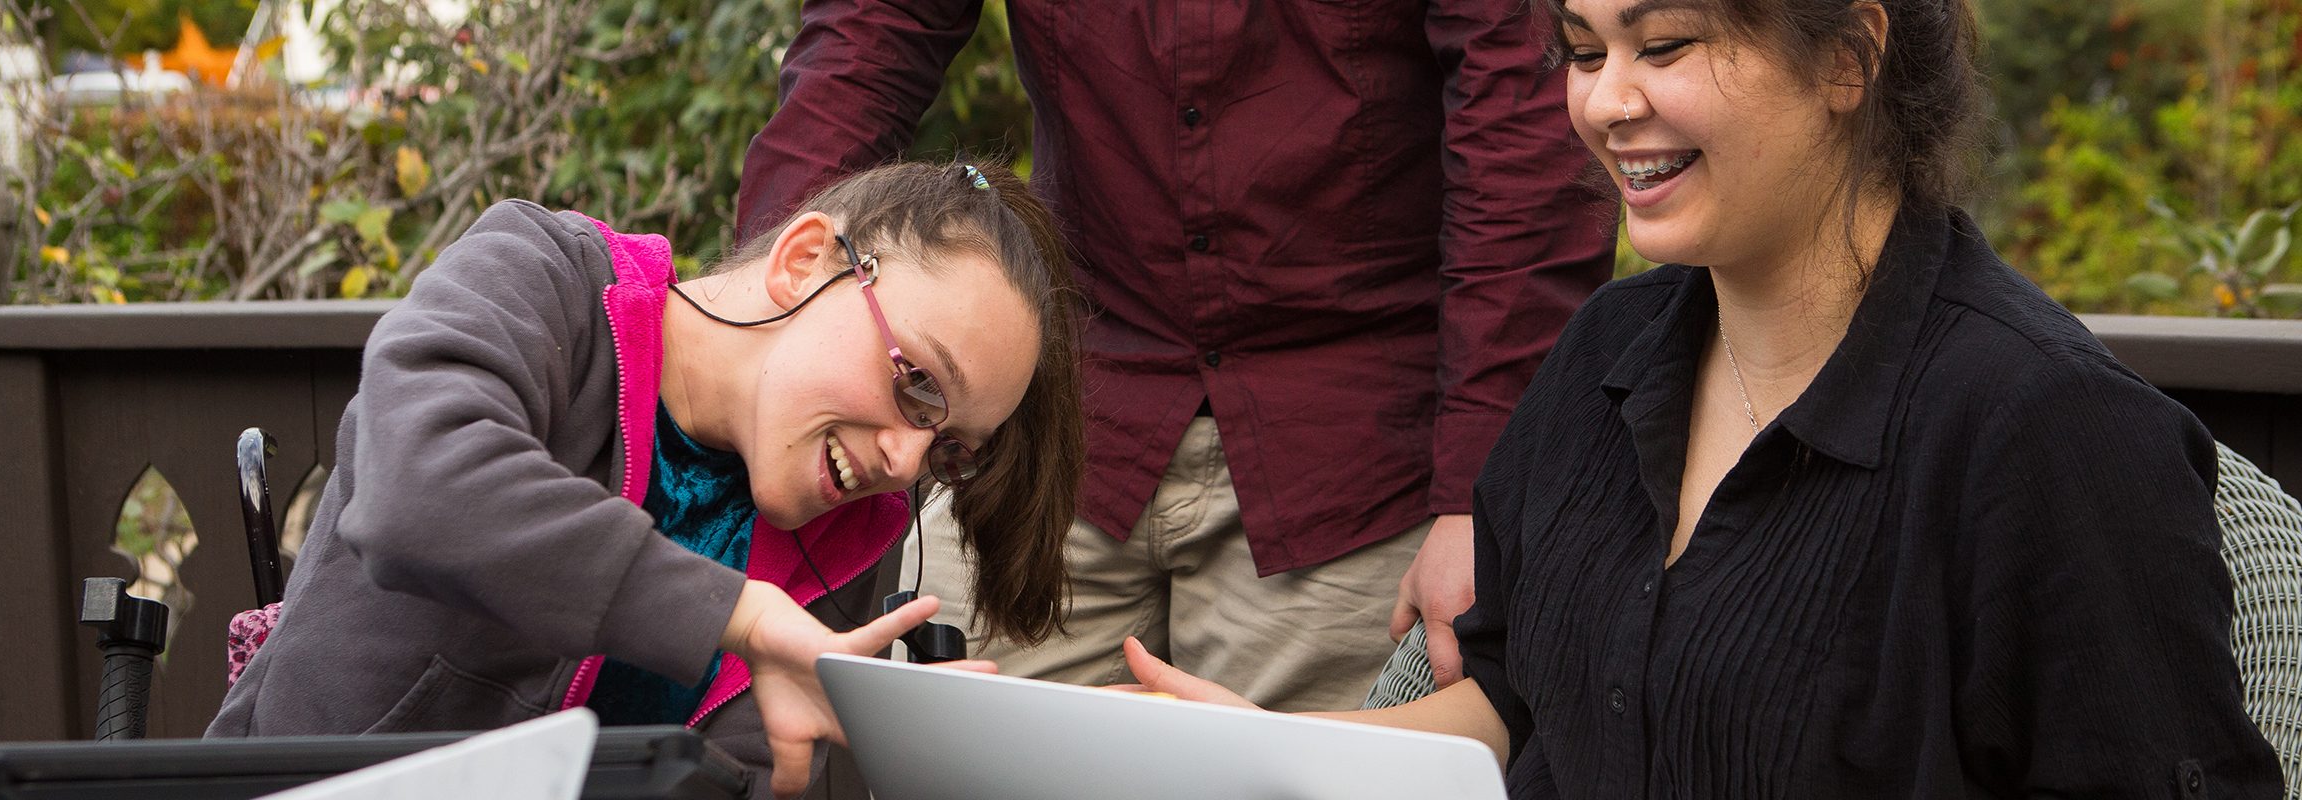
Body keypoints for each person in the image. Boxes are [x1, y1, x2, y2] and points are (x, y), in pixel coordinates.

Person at [1121, 0, 2289, 794]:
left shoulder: (2049, 436)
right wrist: (1256, 750)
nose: (1605, 103)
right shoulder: (1601, 356)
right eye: (1584, 51)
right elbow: (1515, 717)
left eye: (1666, 44)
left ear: (1849, 56)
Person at [737, 1, 1615, 712]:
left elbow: (1522, 130)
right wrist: (760, 328)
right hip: (1071, 413)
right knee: (953, 752)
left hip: (1352, 453)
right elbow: (865, 45)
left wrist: (1479, 492)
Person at [207, 161, 1086, 799]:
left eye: (948, 451)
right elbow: (420, 488)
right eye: (917, 383)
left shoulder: (849, 536)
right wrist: (736, 616)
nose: (904, 462)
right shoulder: (544, 277)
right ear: (805, 259)